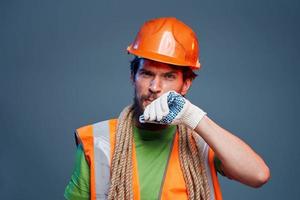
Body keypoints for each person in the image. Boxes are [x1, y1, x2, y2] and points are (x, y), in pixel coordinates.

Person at [64, 17, 270, 200]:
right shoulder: (98, 140)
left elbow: (258, 175)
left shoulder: (203, 139)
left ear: (186, 84)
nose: (155, 87)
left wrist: (194, 117)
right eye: (146, 74)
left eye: (169, 76)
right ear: (132, 77)